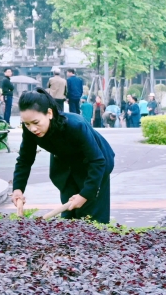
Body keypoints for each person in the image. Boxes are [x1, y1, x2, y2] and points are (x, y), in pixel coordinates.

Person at [11, 88, 115, 223]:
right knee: (69, 216)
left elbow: (97, 161)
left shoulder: (75, 125)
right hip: (66, 166)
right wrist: (18, 188)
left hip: (94, 164)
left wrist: (85, 195)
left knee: (92, 217)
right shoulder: (30, 129)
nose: (32, 129)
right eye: (27, 124)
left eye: (36, 123)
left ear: (49, 113)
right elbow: (25, 159)